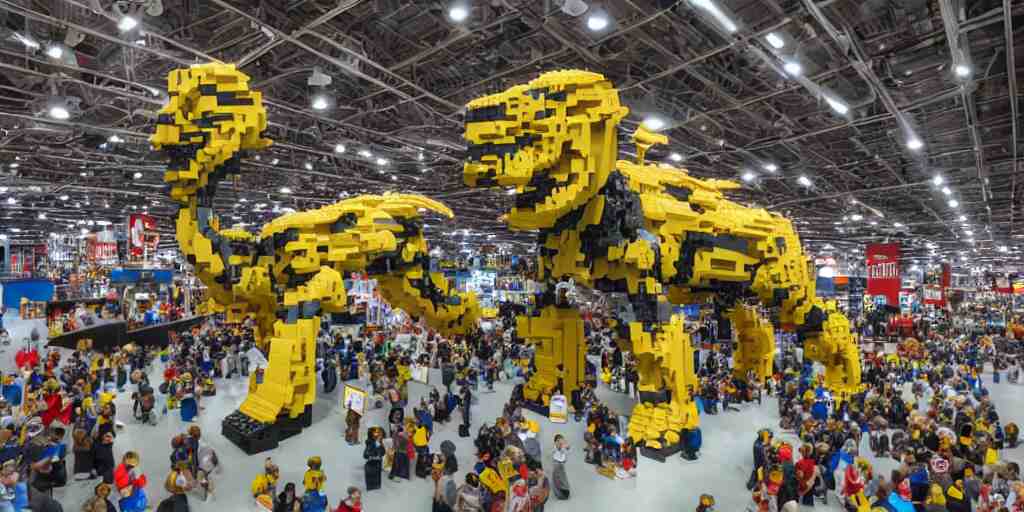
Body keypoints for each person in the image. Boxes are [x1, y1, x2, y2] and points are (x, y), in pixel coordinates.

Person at [363, 427, 385, 491]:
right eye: (376, 433)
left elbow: (383, 452)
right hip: (371, 464)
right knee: (372, 482)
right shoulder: (370, 443)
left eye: (379, 433)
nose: (378, 435)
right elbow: (365, 455)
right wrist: (373, 456)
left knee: (377, 480)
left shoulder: (379, 443)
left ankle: (376, 488)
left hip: (377, 464)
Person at [551, 434, 570, 500]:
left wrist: (566, 449)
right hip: (557, 467)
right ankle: (560, 493)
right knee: (558, 480)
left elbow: (564, 458)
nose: (562, 443)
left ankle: (564, 491)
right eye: (560, 441)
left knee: (563, 479)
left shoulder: (561, 448)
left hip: (560, 467)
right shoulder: (553, 451)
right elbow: (561, 459)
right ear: (556, 441)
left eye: (563, 441)